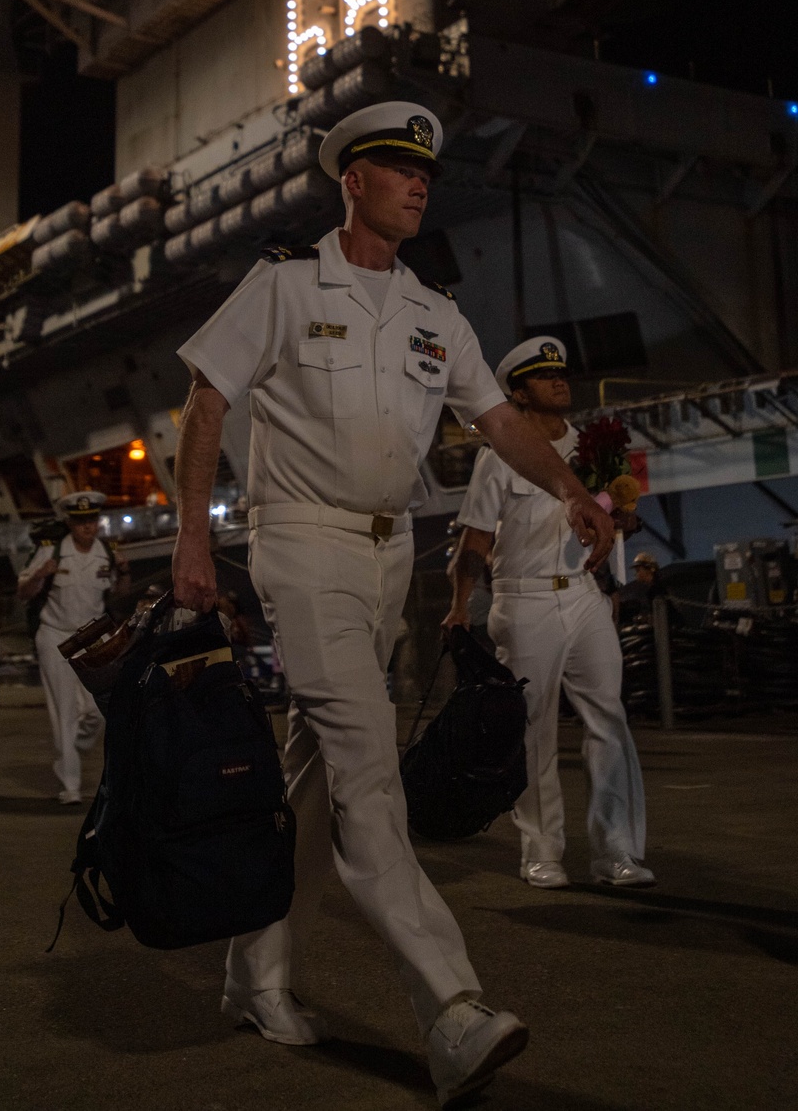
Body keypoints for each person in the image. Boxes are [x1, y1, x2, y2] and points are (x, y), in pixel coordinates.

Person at [171, 101, 614, 1106]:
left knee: (314, 787)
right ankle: (451, 1008)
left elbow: (498, 421)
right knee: (371, 772)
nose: (419, 183)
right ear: (352, 182)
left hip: (383, 561)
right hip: (300, 544)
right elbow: (205, 399)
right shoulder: (283, 286)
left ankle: (254, 978)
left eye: (425, 172)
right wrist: (193, 538)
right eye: (397, 168)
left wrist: (576, 492)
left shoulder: (433, 313)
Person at [444, 337, 655, 892]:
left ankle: (618, 851)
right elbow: (475, 540)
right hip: (525, 598)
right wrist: (459, 606)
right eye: (543, 375)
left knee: (608, 719)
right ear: (518, 392)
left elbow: (621, 519)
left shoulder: (595, 449)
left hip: (584, 594)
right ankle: (541, 850)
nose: (560, 381)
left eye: (561, 373)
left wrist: (621, 518)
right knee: (533, 729)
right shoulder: (499, 457)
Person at [17, 491, 113, 804]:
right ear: (70, 522)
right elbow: (23, 591)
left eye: (92, 520)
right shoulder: (51, 550)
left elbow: (116, 591)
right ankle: (70, 785)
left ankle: (75, 748)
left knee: (97, 711)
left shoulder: (106, 551)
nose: (88, 526)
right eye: (81, 520)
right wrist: (40, 576)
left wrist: (124, 572)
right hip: (55, 636)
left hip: (92, 637)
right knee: (65, 711)